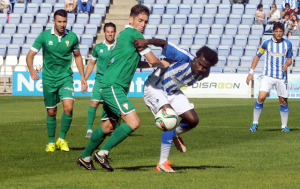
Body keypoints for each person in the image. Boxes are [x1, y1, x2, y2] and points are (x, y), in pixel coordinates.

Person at [76, 4, 168, 171]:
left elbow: (135, 61)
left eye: (146, 22)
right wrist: (164, 64)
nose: (143, 24)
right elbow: (154, 60)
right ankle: (102, 153)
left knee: (108, 126)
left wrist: (153, 64)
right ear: (130, 20)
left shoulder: (125, 36)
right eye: (140, 20)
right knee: (134, 122)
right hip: (114, 86)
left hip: (110, 85)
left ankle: (85, 157)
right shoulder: (134, 34)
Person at [134, 38, 218, 172]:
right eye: (200, 64)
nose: (201, 68)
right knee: (170, 117)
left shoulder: (204, 74)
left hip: (172, 92)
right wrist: (147, 42)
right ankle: (162, 163)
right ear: (195, 58)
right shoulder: (183, 57)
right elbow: (164, 43)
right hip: (155, 88)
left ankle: (174, 134)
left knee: (193, 120)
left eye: (205, 67)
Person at [26, 9, 87, 152]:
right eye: (59, 21)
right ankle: (51, 142)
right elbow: (30, 55)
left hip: (65, 78)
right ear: (53, 21)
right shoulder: (44, 36)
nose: (62, 24)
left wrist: (83, 76)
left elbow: (77, 56)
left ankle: (61, 139)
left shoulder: (72, 37)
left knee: (69, 107)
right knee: (51, 112)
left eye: (64, 21)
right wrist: (31, 69)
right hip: (49, 79)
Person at [246, 22, 293, 133]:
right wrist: (251, 72)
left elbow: (290, 59)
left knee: (283, 101)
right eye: (276, 31)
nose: (278, 34)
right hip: (268, 75)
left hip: (281, 77)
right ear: (273, 32)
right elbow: (257, 56)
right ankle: (255, 123)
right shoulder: (266, 44)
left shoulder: (288, 44)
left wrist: (287, 65)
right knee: (261, 97)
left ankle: (284, 126)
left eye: (280, 31)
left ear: (283, 32)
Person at [85, 22, 116, 138]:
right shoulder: (98, 47)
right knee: (94, 102)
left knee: (112, 106)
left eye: (112, 32)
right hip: (99, 80)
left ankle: (113, 128)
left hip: (113, 81)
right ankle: (89, 129)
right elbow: (91, 63)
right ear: (104, 33)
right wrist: (84, 78)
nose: (110, 34)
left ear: (115, 33)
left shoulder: (118, 48)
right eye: (108, 32)